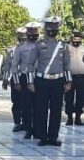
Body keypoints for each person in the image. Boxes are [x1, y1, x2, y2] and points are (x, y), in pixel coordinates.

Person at [26, 17, 72, 146]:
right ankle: (42, 136)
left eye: (55, 27)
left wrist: (68, 81)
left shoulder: (63, 45)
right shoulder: (39, 45)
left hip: (58, 81)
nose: (53, 30)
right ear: (46, 29)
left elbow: (66, 65)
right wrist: (30, 82)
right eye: (50, 27)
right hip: (42, 81)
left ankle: (53, 137)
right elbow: (30, 64)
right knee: (41, 109)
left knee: (56, 110)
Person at [10, 23, 40, 139]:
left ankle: (38, 129)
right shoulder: (21, 49)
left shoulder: (42, 46)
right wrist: (16, 82)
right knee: (26, 105)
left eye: (35, 33)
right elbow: (14, 65)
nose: (33, 35)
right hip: (25, 78)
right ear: (27, 34)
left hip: (39, 78)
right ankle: (28, 129)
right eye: (31, 33)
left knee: (39, 106)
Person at [0, 27, 27, 131]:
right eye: (20, 37)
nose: (22, 39)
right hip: (16, 78)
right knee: (16, 102)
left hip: (28, 78)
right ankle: (17, 123)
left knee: (27, 102)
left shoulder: (31, 49)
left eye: (24, 37)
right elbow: (7, 65)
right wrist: (5, 79)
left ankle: (26, 122)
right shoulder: (12, 51)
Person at [64, 31, 84, 126]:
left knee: (81, 98)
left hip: (81, 77)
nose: (76, 40)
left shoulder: (83, 48)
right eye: (74, 38)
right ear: (71, 39)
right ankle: (69, 118)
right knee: (69, 98)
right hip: (69, 77)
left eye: (78, 38)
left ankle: (78, 118)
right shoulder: (67, 48)